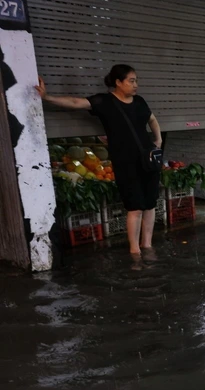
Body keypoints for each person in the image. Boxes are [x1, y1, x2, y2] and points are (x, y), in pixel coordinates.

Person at [36, 64, 162, 258]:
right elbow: (76, 103)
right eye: (131, 80)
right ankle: (135, 250)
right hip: (125, 162)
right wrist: (47, 97)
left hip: (147, 160)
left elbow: (152, 119)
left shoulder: (140, 102)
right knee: (135, 207)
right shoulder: (105, 102)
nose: (136, 84)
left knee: (150, 204)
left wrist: (158, 139)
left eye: (136, 80)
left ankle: (147, 244)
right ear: (118, 82)